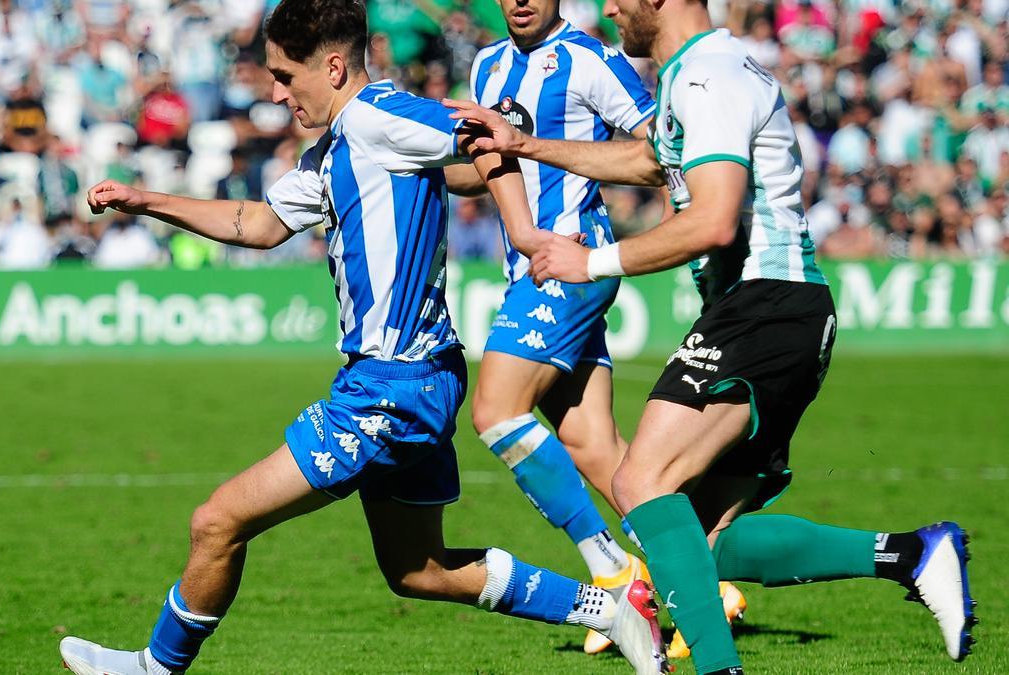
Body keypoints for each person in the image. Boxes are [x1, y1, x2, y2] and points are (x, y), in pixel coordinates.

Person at [57, 2, 669, 674]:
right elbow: (255, 224)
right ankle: (611, 608)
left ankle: (152, 667)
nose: (276, 92)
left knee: (216, 520)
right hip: (415, 375)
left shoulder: (382, 115)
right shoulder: (335, 146)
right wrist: (147, 201)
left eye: (286, 77)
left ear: (335, 66)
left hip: (392, 384)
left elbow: (484, 133)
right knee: (418, 568)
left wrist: (523, 234)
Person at [447, 0, 976, 672]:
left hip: (765, 305)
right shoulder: (691, 76)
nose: (610, 8)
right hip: (770, 311)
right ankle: (911, 553)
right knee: (693, 540)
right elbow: (645, 162)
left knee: (639, 480)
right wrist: (526, 146)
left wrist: (593, 261)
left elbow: (716, 220)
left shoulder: (708, 77)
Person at [442, 0, 743, 658]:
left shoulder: (592, 59)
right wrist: (417, 168)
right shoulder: (489, 65)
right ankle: (699, 581)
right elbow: (489, 169)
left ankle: (615, 571)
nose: (520, 1)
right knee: (595, 447)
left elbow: (657, 150)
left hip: (571, 261)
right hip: (529, 269)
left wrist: (695, 248)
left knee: (494, 410)